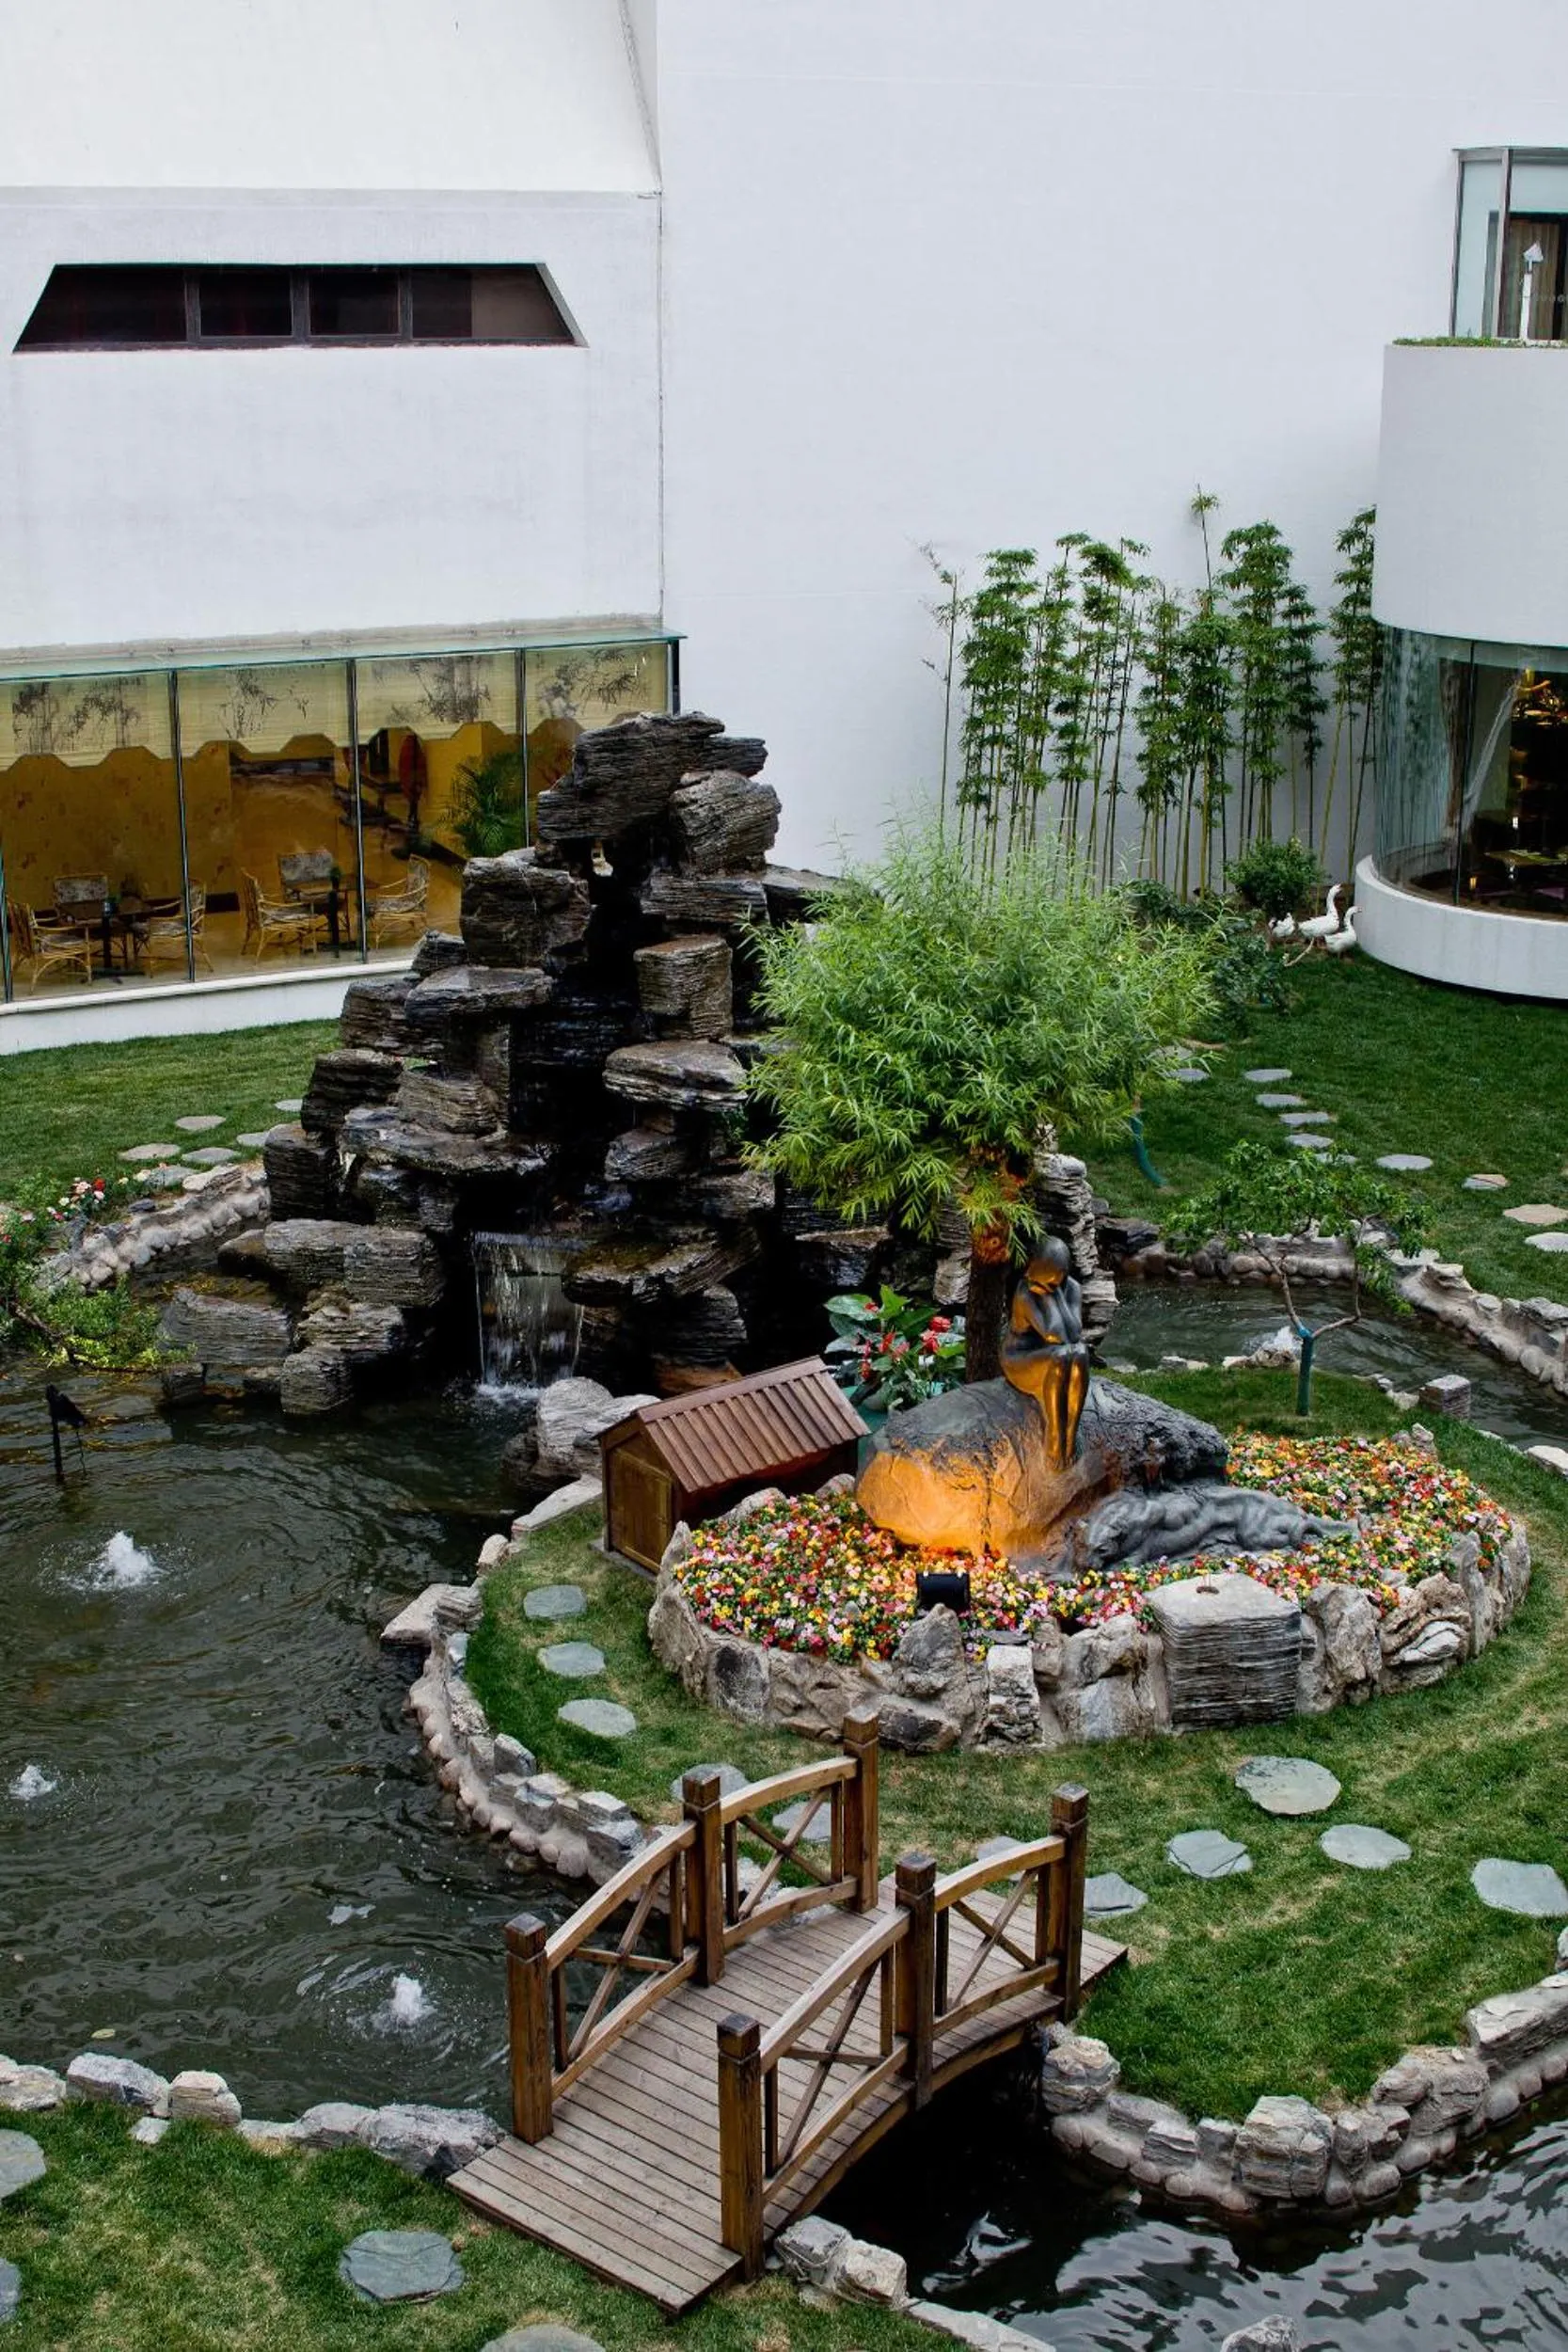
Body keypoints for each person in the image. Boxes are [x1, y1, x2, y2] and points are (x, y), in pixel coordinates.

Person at [1001, 1236, 1090, 1471]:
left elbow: (1075, 1333)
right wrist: (1046, 1296)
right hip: (1020, 1356)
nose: (1029, 1276)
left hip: (1050, 1351)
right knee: (1060, 1356)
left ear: (1060, 1274)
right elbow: (1055, 1334)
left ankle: (1069, 1434)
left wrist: (1055, 1294)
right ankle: (1054, 1431)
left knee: (1080, 1353)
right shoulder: (1025, 1292)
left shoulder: (1072, 1288)